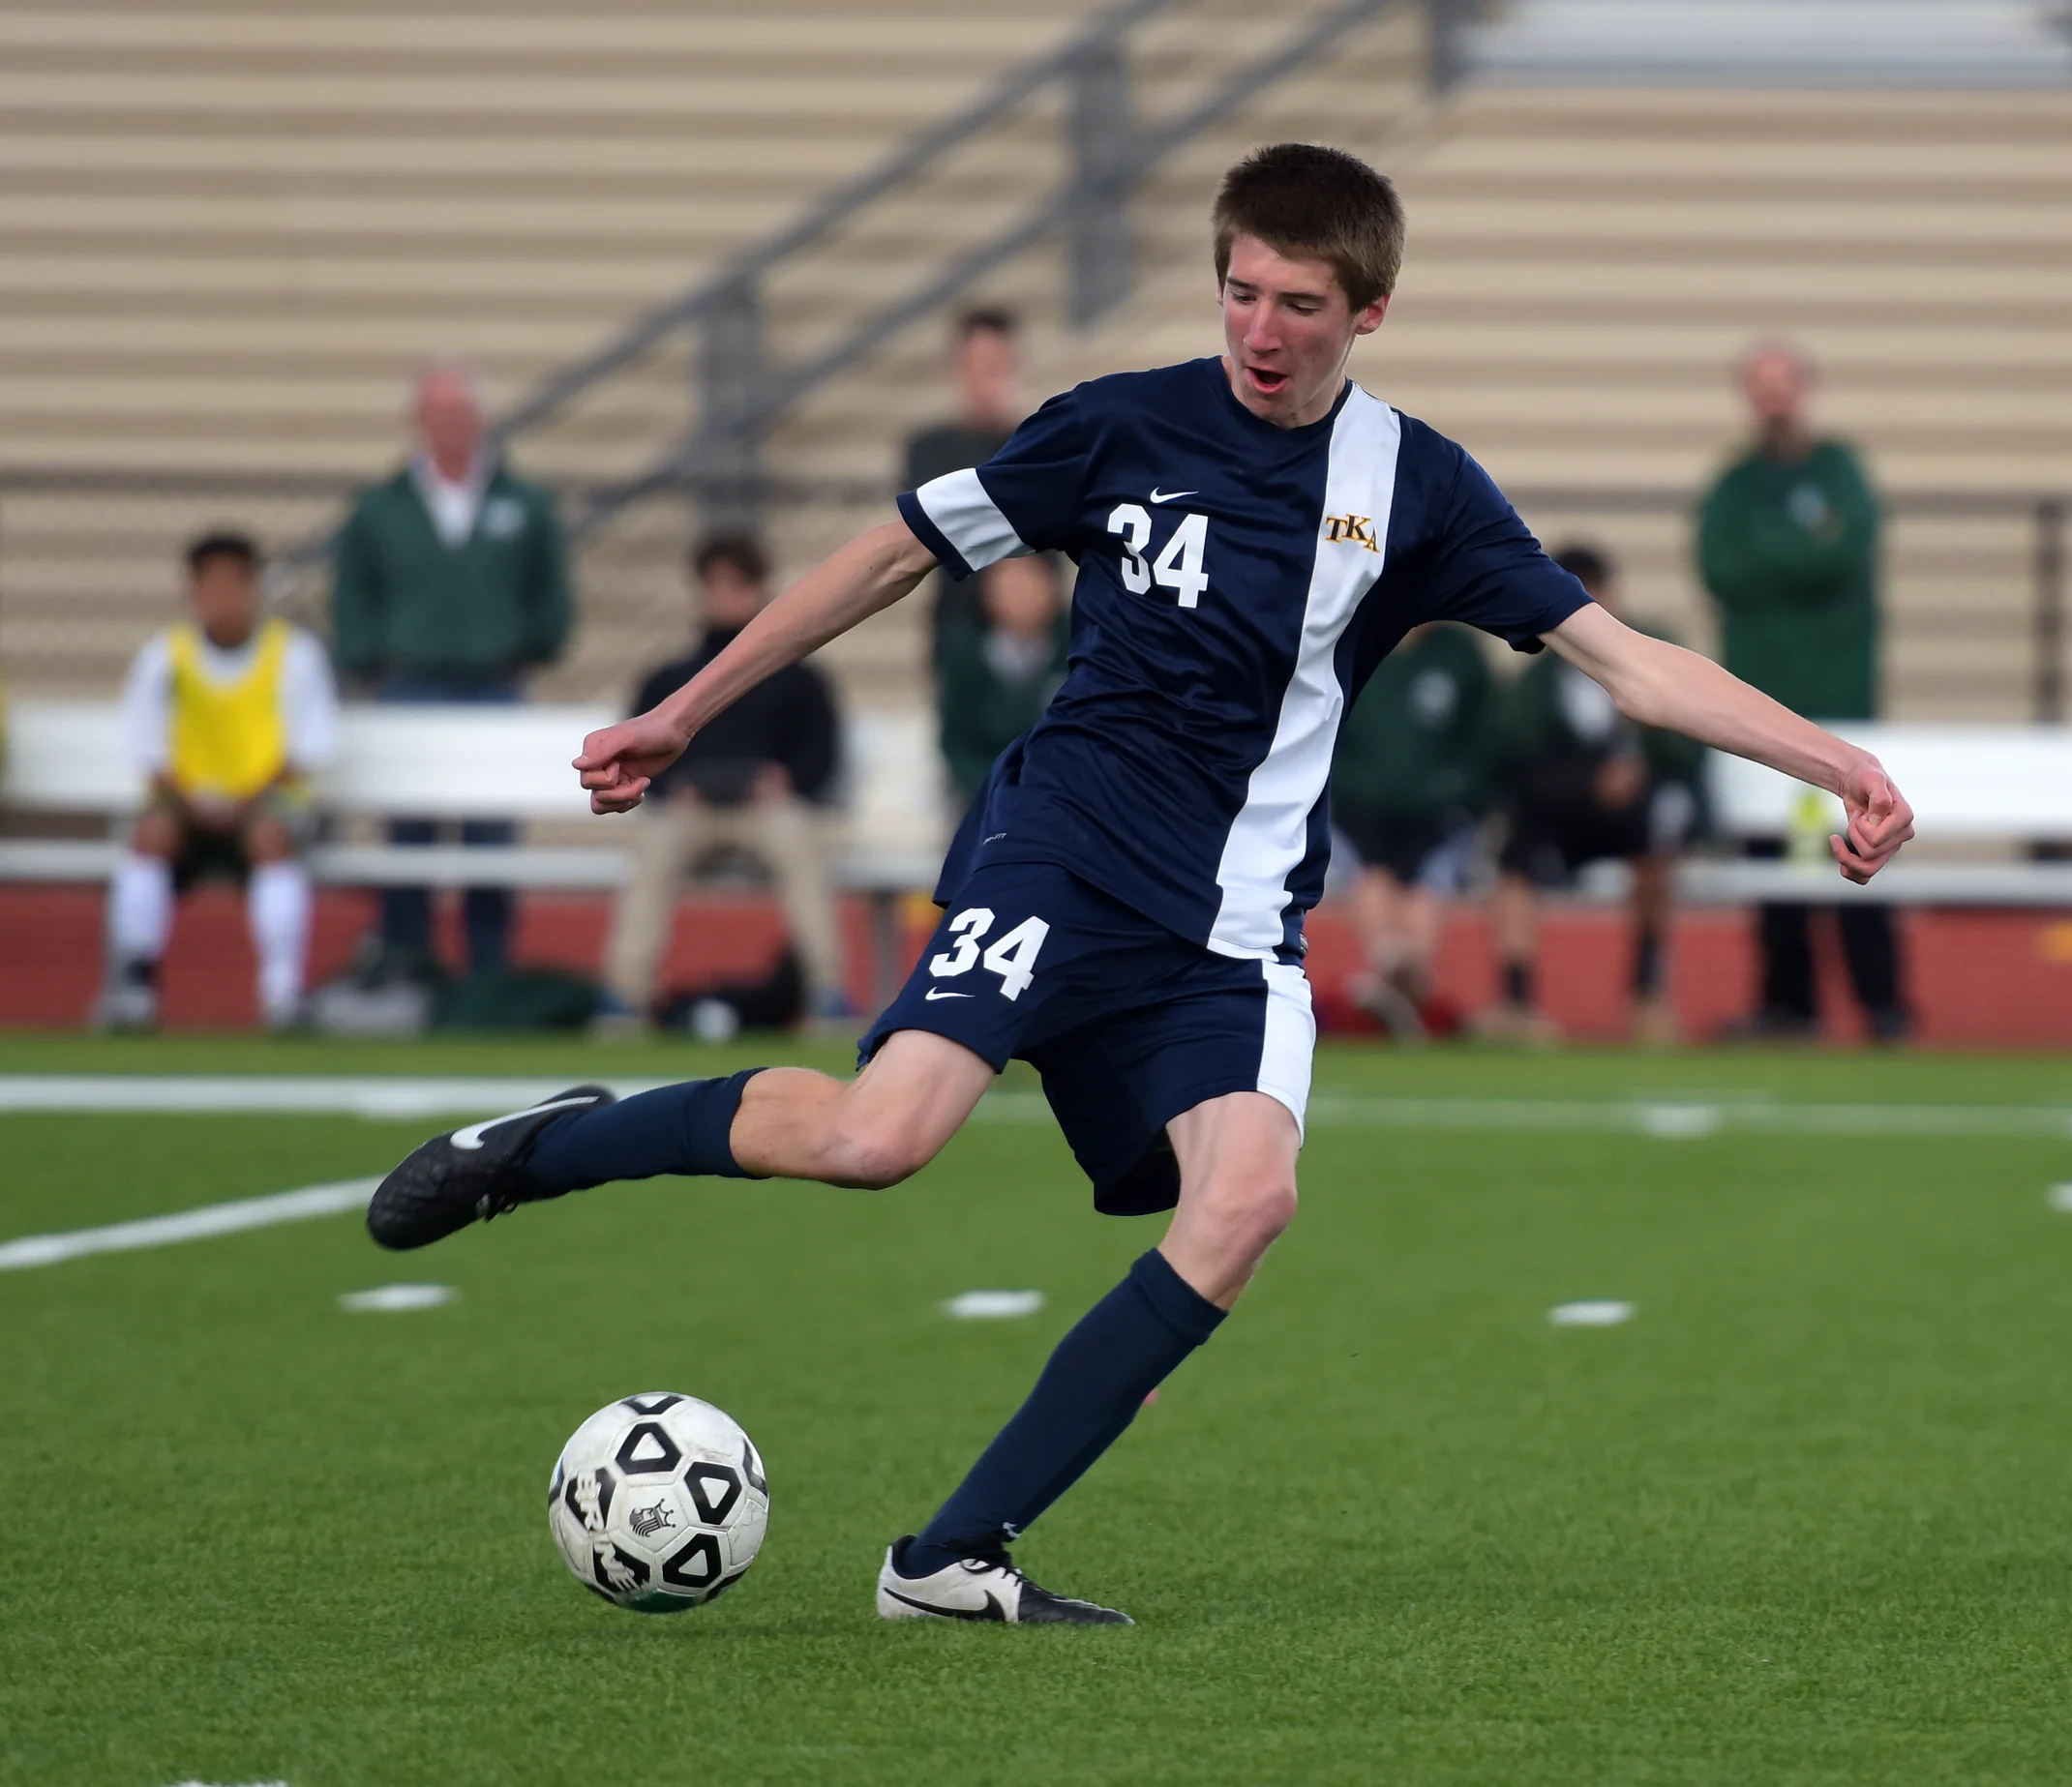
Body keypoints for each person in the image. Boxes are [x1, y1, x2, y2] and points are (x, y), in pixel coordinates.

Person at [364, 145, 1913, 1625]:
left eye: (1299, 304)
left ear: (1368, 311)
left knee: (1246, 1200)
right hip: (1062, 847)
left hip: (1230, 921)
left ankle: (953, 1554)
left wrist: (1831, 760)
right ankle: (550, 1147)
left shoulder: (1415, 486)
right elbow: (897, 552)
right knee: (875, 1138)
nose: (1259, 329)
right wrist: (686, 706)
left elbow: (1628, 662)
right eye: (1239, 290)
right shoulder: (1117, 425)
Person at [1697, 343, 1908, 1042]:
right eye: (1761, 387)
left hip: (1839, 699)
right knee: (1772, 858)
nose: (1774, 399)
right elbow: (1720, 567)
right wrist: (1801, 556)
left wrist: (1773, 559)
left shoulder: (1840, 472)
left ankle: (1883, 1004)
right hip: (1761, 707)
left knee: (1859, 844)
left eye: (1783, 386)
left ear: (1805, 391)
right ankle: (1789, 1005)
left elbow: (1844, 554)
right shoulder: (1732, 487)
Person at [332, 361, 573, 977]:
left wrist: (531, 644)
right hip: (408, 685)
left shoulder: (522, 502)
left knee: (491, 837)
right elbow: (353, 591)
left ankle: (488, 968)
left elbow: (552, 590)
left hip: (495, 685)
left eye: (460, 415)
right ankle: (407, 960)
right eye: (439, 416)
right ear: (419, 422)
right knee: (408, 834)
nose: (450, 428)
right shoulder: (382, 506)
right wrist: (368, 654)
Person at [95, 531, 339, 1031]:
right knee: (151, 835)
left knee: (272, 838)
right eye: (212, 586)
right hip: (186, 810)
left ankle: (282, 993)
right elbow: (147, 752)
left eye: (234, 585)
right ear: (192, 592)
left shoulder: (294, 655)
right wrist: (195, 801)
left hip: (264, 807)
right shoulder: (165, 659)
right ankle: (135, 988)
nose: (223, 599)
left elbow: (310, 749)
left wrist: (246, 799)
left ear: (254, 590)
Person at [599, 533, 844, 1028]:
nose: (725, 596)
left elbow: (821, 756)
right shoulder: (668, 677)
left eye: (738, 584)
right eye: (714, 585)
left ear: (759, 588)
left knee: (798, 838)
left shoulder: (801, 679)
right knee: (654, 845)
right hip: (690, 812)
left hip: (766, 811)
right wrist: (671, 788)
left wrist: (784, 781)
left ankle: (828, 992)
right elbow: (637, 753)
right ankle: (625, 997)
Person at [1482, 546, 1705, 1044]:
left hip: (1634, 809)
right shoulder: (1539, 678)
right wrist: (1587, 782)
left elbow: (1691, 744)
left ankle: (1648, 994)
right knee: (1515, 857)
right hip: (1561, 815)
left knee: (1657, 845)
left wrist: (1642, 760)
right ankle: (1517, 1001)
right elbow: (1521, 761)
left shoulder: (1653, 657)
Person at [1327, 621, 1494, 1038]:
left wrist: (1456, 785)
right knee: (1371, 881)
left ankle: (1394, 990)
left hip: (1435, 812)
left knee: (1426, 893)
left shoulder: (1459, 653)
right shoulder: (1352, 639)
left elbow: (1487, 734)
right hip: (1358, 808)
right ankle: (1401, 990)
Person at [902, 309, 1024, 662]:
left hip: (1034, 629)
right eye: (980, 365)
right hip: (960, 624)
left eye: (999, 364)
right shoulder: (929, 448)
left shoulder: (1034, 440)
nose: (990, 378)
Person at [936, 551, 1068, 812]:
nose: (1019, 596)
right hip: (986, 794)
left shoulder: (1082, 642)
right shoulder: (964, 647)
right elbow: (956, 741)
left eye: (1030, 581)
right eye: (1008, 584)